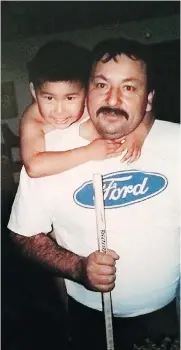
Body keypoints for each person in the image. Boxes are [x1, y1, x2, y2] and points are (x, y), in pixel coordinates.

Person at [8, 37, 180, 350]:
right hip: (89, 317)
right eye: (102, 84)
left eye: (129, 87)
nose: (113, 98)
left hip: (168, 316)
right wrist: (77, 268)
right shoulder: (51, 152)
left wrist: (143, 131)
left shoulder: (177, 143)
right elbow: (24, 236)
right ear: (89, 90)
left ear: (149, 98)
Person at [20, 40, 154, 178]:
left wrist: (138, 134)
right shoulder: (33, 117)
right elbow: (34, 167)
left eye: (70, 98)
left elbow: (146, 109)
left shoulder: (91, 103)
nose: (59, 111)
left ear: (87, 92)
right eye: (49, 98)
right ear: (33, 92)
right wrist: (88, 152)